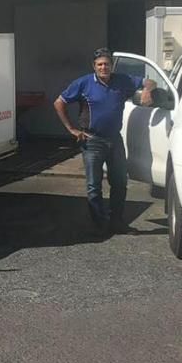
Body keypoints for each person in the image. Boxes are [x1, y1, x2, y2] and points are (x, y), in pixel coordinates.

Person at [54, 48, 156, 233]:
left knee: (119, 183)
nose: (103, 67)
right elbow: (59, 102)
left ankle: (117, 222)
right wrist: (71, 129)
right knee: (94, 186)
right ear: (94, 66)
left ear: (111, 65)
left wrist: (147, 90)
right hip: (92, 141)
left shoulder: (122, 80)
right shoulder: (83, 83)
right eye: (99, 64)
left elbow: (150, 81)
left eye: (106, 64)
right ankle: (99, 225)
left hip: (114, 140)